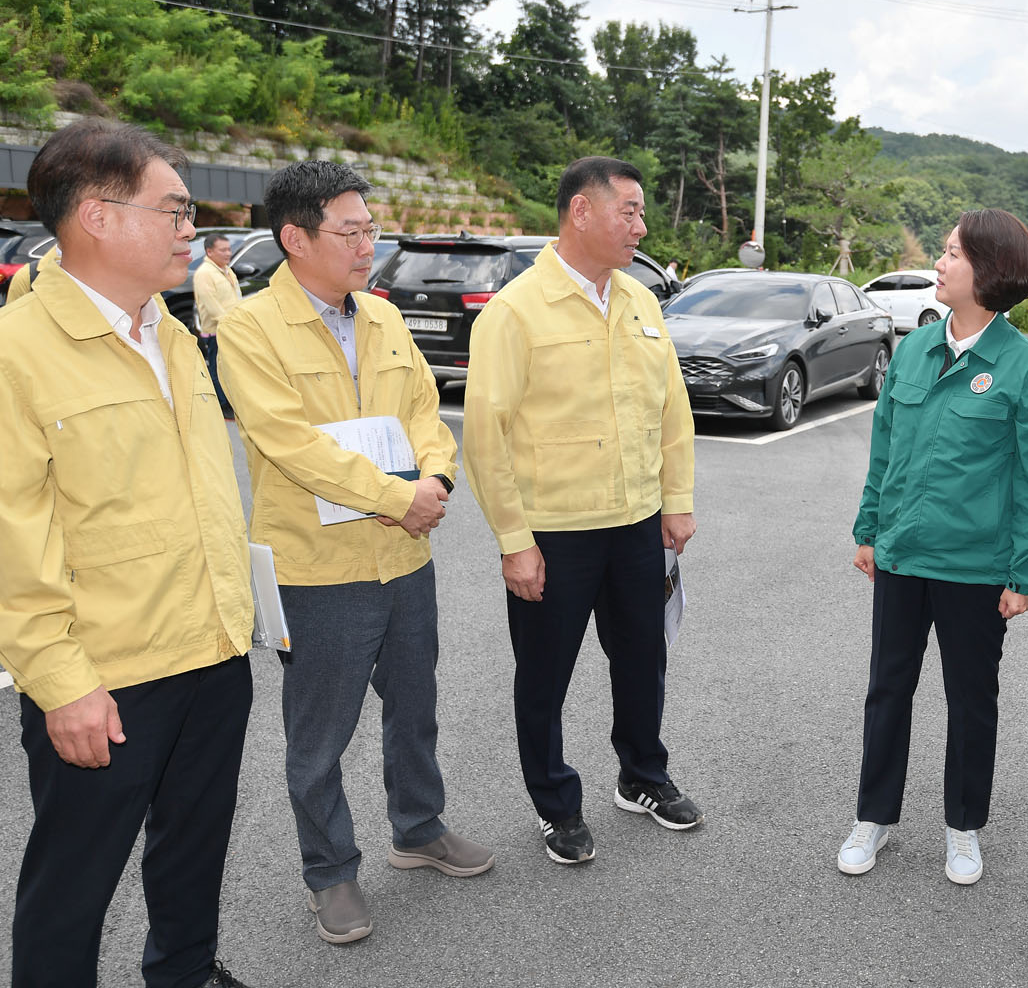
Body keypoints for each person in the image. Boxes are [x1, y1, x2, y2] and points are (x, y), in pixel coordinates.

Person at [0, 118, 253, 988]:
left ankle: (185, 972)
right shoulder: (18, 353)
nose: (191, 229)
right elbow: (12, 539)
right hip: (104, 677)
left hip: (212, 649)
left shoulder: (171, 336)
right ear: (98, 216)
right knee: (73, 884)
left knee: (194, 850)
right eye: (173, 210)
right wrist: (59, 680)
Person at [217, 160, 491, 947]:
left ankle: (419, 827)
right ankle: (330, 872)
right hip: (319, 569)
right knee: (319, 735)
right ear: (295, 238)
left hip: (404, 559)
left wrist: (436, 476)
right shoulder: (248, 329)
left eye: (371, 229)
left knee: (415, 706)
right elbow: (292, 445)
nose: (369, 245)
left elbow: (425, 411)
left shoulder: (382, 317)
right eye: (351, 232)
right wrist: (399, 497)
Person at [462, 155, 699, 865]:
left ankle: (642, 775)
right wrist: (514, 541)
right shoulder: (516, 311)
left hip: (636, 522)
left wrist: (677, 501)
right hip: (555, 532)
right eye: (630, 211)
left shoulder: (641, 301)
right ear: (581, 212)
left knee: (643, 659)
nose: (641, 226)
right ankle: (556, 805)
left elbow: (673, 409)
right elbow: (485, 435)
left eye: (641, 212)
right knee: (544, 675)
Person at [840, 209, 1028, 885]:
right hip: (902, 557)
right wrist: (869, 530)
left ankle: (963, 828)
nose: (939, 263)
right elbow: (884, 449)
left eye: (953, 254)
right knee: (887, 690)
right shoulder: (914, 349)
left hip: (975, 568)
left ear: (989, 271)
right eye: (943, 251)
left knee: (971, 700)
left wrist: (1022, 574)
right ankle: (873, 817)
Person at [194, 232, 243, 418]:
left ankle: (229, 400)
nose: (228, 253)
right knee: (217, 367)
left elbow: (236, 298)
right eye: (222, 250)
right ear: (209, 251)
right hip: (216, 331)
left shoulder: (227, 270)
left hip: (232, 328)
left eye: (229, 249)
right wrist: (230, 324)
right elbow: (211, 305)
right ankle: (222, 405)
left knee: (230, 367)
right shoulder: (204, 273)